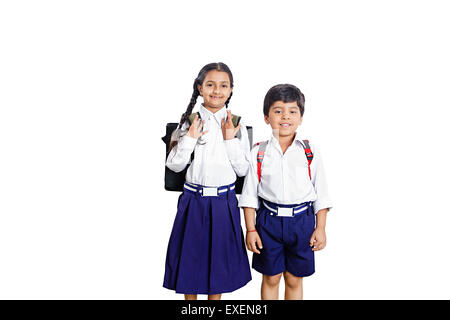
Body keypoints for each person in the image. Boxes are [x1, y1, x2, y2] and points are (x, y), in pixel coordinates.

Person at [163, 62, 252, 300]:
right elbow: (174, 165)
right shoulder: (188, 121)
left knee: (219, 263)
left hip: (224, 202)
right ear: (200, 88)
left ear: (231, 89)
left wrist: (230, 139)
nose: (217, 90)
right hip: (194, 200)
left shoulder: (236, 125)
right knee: (190, 258)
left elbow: (244, 169)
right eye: (210, 84)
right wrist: (190, 138)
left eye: (224, 85)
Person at [239, 84, 332, 300]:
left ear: (301, 117)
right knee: (271, 278)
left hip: (302, 223)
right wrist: (250, 230)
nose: (285, 117)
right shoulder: (259, 152)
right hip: (268, 223)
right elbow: (249, 196)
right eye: (278, 111)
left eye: (292, 111)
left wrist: (321, 227)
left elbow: (322, 193)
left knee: (293, 278)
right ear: (266, 117)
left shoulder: (309, 151)